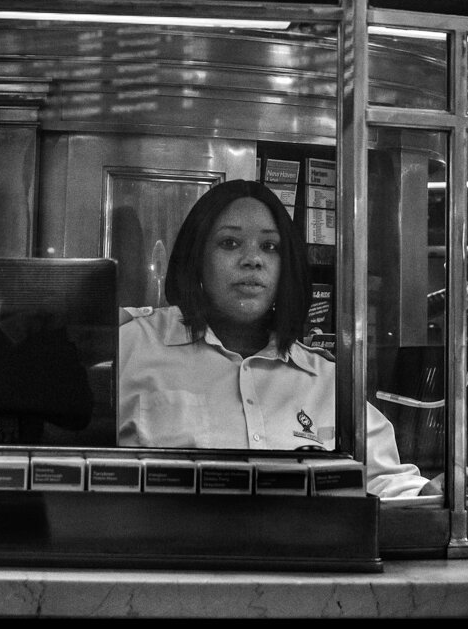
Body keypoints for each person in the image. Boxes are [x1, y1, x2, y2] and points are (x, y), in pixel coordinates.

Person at [117, 178, 437, 499]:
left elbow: (382, 482)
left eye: (270, 247)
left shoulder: (325, 382)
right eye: (230, 243)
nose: (252, 259)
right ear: (196, 258)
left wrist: (431, 493)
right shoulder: (132, 345)